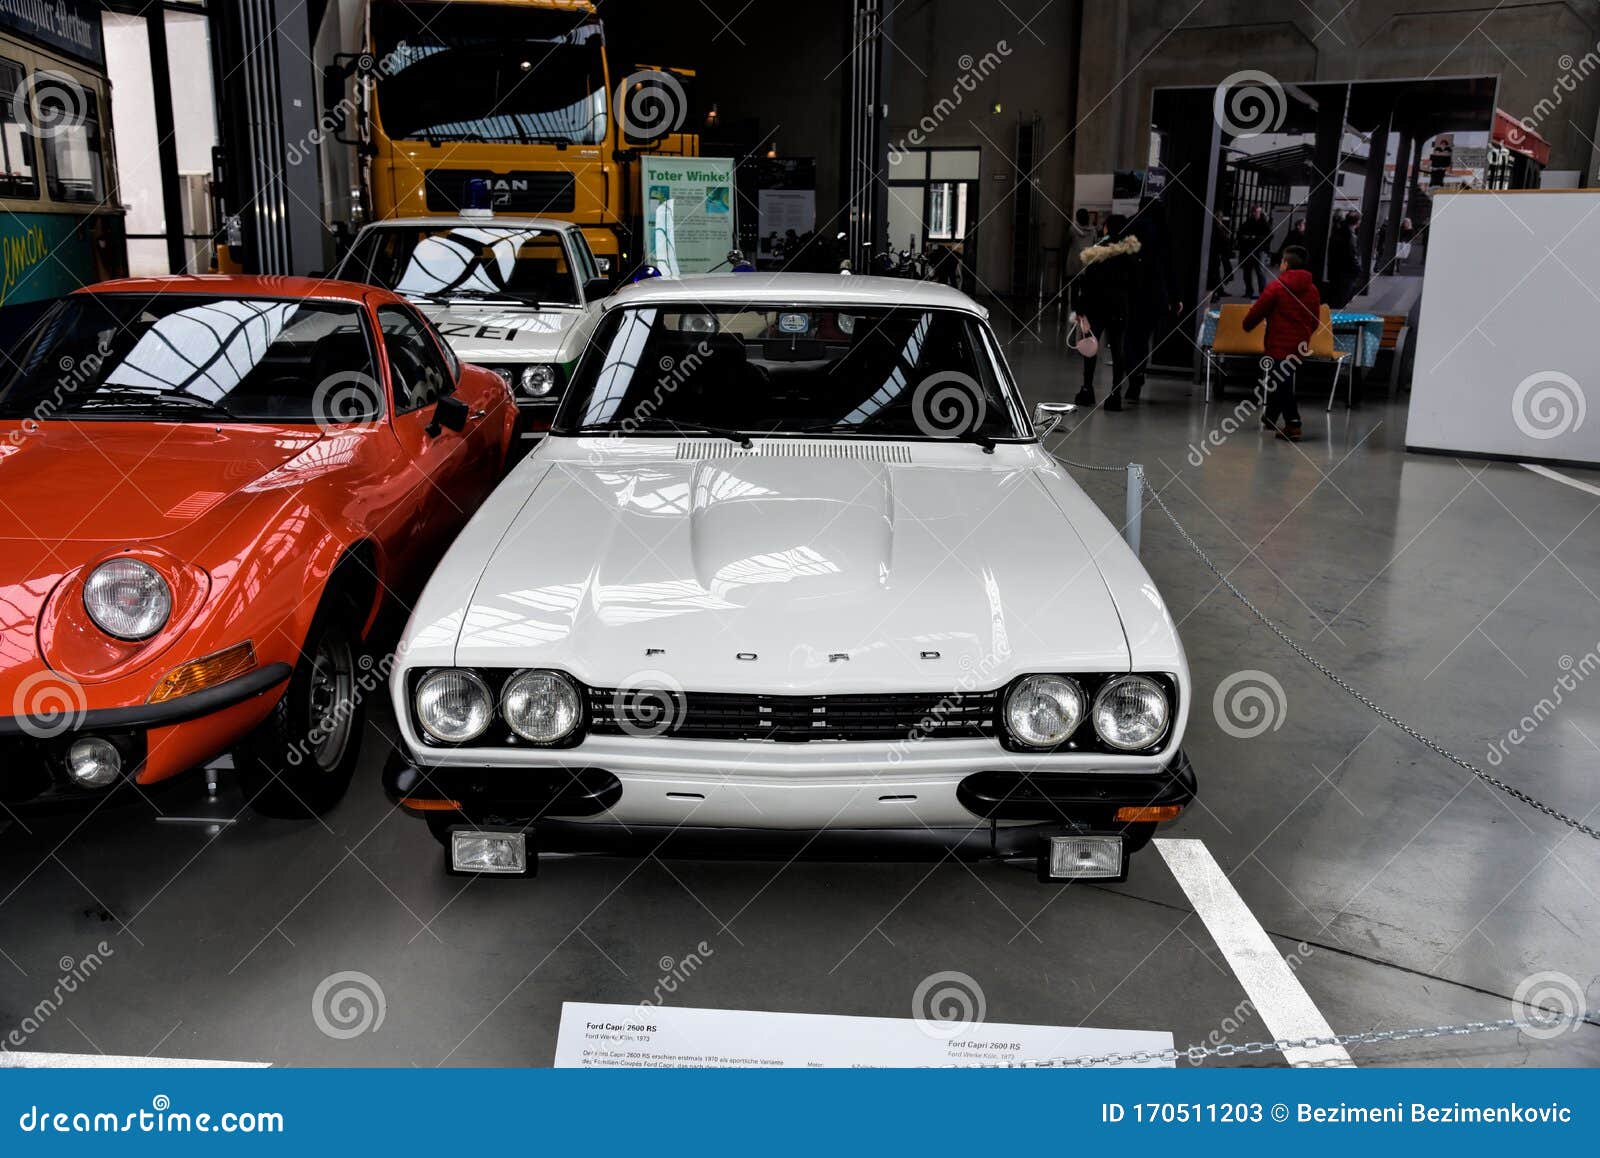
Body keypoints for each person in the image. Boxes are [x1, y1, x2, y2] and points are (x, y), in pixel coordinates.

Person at [1242, 243, 1320, 442]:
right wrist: (1305, 334)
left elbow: (1258, 311)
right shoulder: (1312, 289)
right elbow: (1315, 320)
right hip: (1300, 343)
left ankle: (1293, 424)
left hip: (1279, 342)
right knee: (1281, 378)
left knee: (1282, 382)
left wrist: (1247, 325)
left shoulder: (1277, 287)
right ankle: (1270, 417)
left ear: (1285, 264)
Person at [1072, 214, 1142, 411]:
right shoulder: (1129, 254)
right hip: (1119, 309)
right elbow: (1136, 285)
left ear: (1107, 229)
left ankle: (1087, 390)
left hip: (1096, 308)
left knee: (1091, 348)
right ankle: (1115, 394)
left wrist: (1080, 309)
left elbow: (1086, 284)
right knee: (1118, 351)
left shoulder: (1098, 252)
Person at [1326, 211, 1361, 308]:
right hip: (1346, 271)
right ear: (1358, 222)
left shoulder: (1337, 231)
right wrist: (1357, 268)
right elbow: (1352, 254)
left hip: (1335, 268)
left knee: (1335, 296)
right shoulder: (1350, 235)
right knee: (1343, 297)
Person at [1236, 206, 1272, 295]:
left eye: (1258, 212)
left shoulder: (1264, 224)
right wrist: (1250, 238)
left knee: (1260, 271)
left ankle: (1262, 292)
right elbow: (1240, 234)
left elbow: (1268, 237)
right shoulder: (1247, 223)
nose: (1256, 214)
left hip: (1260, 250)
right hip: (1248, 250)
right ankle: (1249, 291)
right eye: (1255, 212)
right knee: (1247, 272)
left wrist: (1253, 237)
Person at [1208, 215, 1235, 293]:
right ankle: (1218, 290)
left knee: (1218, 272)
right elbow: (1221, 241)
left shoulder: (1219, 228)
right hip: (1218, 253)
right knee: (1216, 273)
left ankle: (1219, 290)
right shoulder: (1217, 229)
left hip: (1221, 252)